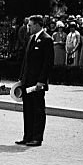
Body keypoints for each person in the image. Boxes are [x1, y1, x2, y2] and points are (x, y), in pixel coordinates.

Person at [17, 14, 53, 147]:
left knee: (38, 109)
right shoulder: (31, 39)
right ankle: (27, 136)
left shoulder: (46, 40)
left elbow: (47, 63)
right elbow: (26, 62)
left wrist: (41, 81)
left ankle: (37, 138)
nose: (28, 27)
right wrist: (21, 78)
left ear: (38, 25)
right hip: (28, 81)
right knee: (28, 109)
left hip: (37, 83)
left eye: (30, 25)